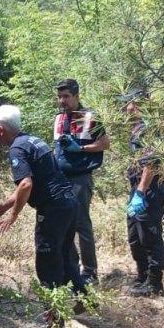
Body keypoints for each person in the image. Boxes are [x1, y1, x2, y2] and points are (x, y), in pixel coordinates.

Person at [0, 104, 87, 300]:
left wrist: (13, 215)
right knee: (65, 256)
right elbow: (35, 181)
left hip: (53, 209)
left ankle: (55, 318)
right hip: (69, 204)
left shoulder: (16, 149)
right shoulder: (32, 140)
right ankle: (82, 298)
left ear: (0, 129)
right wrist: (4, 206)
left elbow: (25, 184)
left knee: (47, 261)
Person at [53, 79, 110, 286]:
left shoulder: (89, 117)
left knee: (81, 224)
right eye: (60, 97)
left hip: (80, 177)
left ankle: (90, 272)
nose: (62, 101)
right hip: (60, 178)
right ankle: (71, 268)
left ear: (76, 95)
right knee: (63, 224)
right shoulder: (59, 118)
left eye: (66, 96)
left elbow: (105, 143)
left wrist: (81, 148)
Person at [118, 88, 164, 296]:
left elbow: (152, 163)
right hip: (137, 189)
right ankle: (142, 276)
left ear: (138, 104)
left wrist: (140, 191)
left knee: (149, 236)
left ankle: (154, 285)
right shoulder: (137, 128)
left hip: (149, 190)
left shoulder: (150, 128)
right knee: (135, 236)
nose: (125, 108)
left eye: (128, 103)